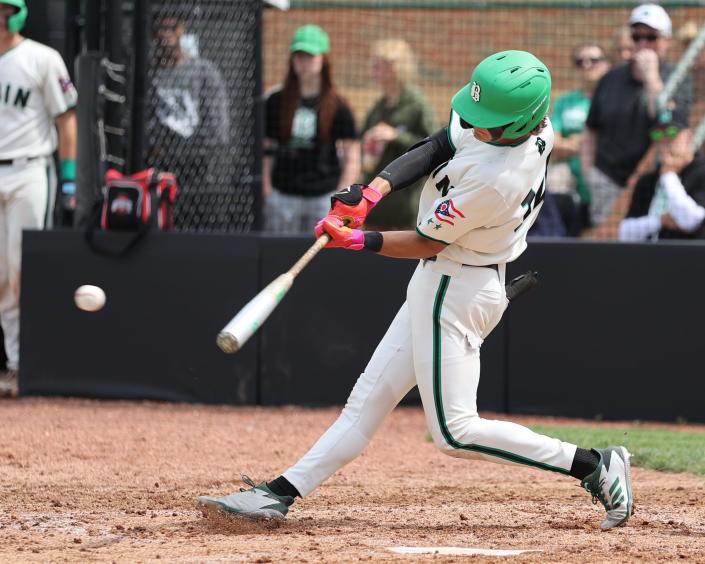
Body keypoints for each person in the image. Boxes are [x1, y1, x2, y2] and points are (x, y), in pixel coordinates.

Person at [198, 51, 634, 531]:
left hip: (456, 287)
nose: (473, 123)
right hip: (450, 277)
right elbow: (440, 142)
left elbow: (427, 239)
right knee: (366, 403)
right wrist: (372, 192)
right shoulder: (530, 125)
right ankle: (278, 493)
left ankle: (594, 465)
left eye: (486, 122)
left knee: (455, 432)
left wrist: (357, 239)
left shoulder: (497, 178)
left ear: (519, 125)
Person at [0, 0, 77, 397]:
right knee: (0, 275)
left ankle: (23, 365)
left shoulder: (41, 58)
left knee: (19, 269)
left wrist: (68, 180)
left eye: (4, 8)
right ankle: (12, 362)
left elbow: (67, 120)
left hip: (27, 168)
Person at [581, 3, 692, 229]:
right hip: (606, 179)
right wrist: (588, 172)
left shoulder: (678, 78)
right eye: (637, 36)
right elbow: (591, 128)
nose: (643, 43)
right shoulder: (611, 78)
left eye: (651, 37)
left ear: (666, 41)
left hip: (650, 182)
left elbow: (667, 122)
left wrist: (651, 77)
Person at [263, 24, 360, 234]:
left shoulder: (338, 106)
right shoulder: (275, 101)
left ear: (323, 59)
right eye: (298, 55)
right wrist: (267, 190)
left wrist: (340, 199)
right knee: (279, 257)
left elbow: (352, 155)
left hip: (322, 198)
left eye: (309, 55)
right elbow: (266, 148)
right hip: (283, 196)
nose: (303, 62)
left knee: (321, 262)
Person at [146, 6, 229, 230]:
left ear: (183, 29)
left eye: (172, 27)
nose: (166, 34)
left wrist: (179, 151)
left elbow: (217, 129)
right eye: (160, 28)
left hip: (195, 175)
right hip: (153, 174)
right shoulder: (144, 73)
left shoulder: (204, 72)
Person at [361, 39, 436, 230]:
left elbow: (435, 146)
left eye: (379, 66)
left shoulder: (416, 104)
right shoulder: (379, 106)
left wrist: (396, 136)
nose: (373, 72)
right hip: (377, 207)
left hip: (406, 208)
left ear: (396, 68)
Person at [546, 43, 610, 233]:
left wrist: (575, 140)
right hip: (570, 177)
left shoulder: (612, 99)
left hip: (602, 174)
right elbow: (553, 142)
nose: (587, 65)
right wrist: (586, 141)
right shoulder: (566, 101)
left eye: (594, 60)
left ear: (607, 64)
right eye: (581, 62)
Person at [619, 113, 705, 240]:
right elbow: (625, 233)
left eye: (671, 132)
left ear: (688, 136)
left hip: (690, 257)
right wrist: (659, 221)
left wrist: (669, 175)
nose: (664, 140)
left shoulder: (701, 172)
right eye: (658, 135)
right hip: (649, 256)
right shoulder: (647, 180)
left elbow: (691, 220)